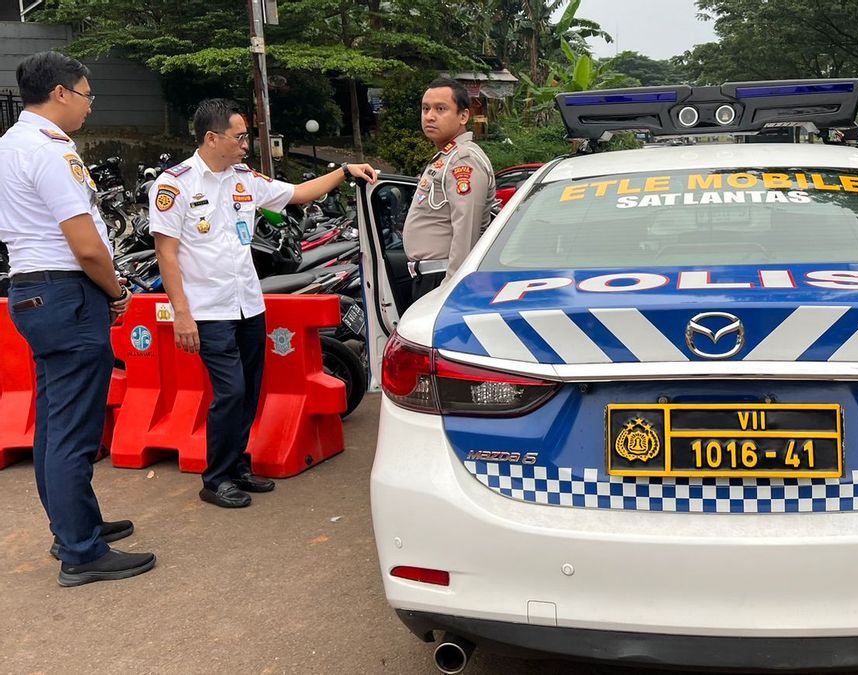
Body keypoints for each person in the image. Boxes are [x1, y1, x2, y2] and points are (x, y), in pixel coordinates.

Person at [150, 98, 377, 509]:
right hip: (208, 311)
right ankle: (215, 478)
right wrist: (181, 313)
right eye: (239, 137)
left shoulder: (244, 179)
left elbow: (298, 194)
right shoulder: (174, 185)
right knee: (231, 391)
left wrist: (344, 172)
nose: (245, 145)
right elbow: (166, 253)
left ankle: (237, 466)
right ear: (211, 138)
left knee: (251, 389)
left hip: (248, 305)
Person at [0, 51, 155, 586]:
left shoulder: (9, 145)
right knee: (72, 430)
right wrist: (115, 292)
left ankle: (74, 524)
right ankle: (80, 552)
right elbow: (86, 246)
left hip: (31, 292)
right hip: (67, 294)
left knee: (52, 423)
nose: (91, 106)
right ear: (62, 93)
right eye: (88, 95)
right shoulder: (50, 150)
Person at [403, 77, 496, 302]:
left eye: (440, 109)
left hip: (443, 278)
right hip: (431, 276)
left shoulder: (463, 160)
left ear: (463, 116)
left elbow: (466, 230)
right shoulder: (447, 156)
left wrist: (452, 290)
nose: (430, 116)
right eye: (425, 109)